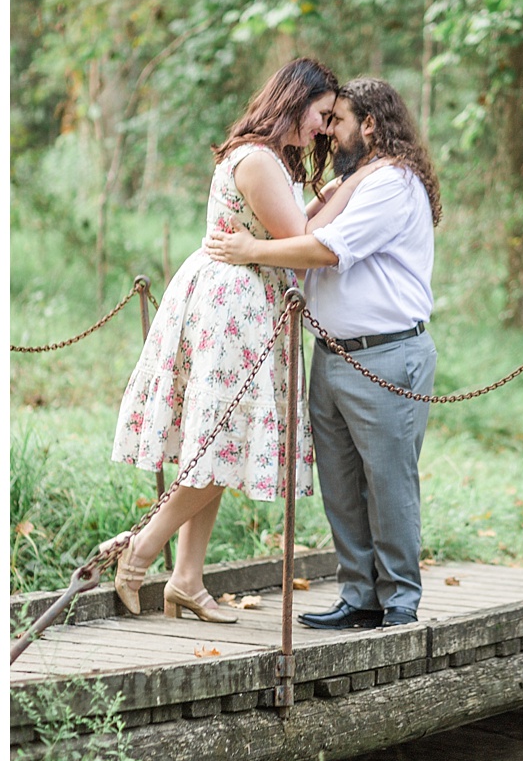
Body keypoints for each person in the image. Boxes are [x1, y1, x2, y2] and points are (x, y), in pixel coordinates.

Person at [107, 58, 388, 623]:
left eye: (335, 118)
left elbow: (282, 227)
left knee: (221, 442)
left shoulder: (265, 158)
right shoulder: (258, 160)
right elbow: (302, 241)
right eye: (323, 114)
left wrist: (328, 190)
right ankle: (141, 549)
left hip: (247, 302)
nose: (327, 128)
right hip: (235, 307)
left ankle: (186, 579)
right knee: (218, 443)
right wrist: (350, 188)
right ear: (295, 100)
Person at [206, 76, 440, 630]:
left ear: (371, 124)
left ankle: (400, 599)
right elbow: (311, 223)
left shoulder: (392, 182)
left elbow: (326, 250)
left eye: (338, 121)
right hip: (332, 354)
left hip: (385, 355)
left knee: (388, 481)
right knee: (340, 484)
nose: (328, 133)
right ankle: (359, 594)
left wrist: (250, 248)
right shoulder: (356, 180)